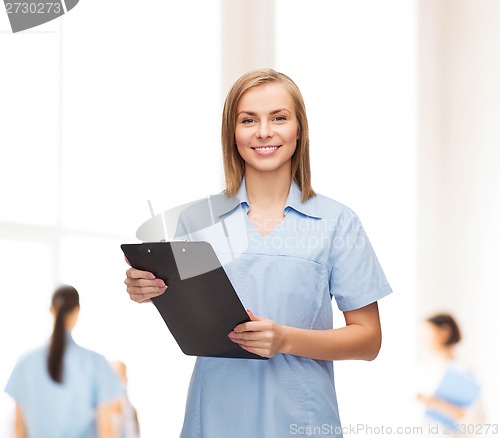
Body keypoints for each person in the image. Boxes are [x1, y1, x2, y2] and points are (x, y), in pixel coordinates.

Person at [124, 68, 393, 437]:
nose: (264, 131)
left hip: (302, 421)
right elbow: (190, 308)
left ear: (299, 129)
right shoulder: (198, 220)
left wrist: (285, 339)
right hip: (215, 416)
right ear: (232, 134)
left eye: (279, 118)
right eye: (249, 120)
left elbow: (368, 340)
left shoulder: (338, 223)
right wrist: (147, 289)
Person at [4, 285, 123, 438]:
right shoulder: (96, 363)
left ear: (51, 310)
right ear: (78, 311)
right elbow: (106, 429)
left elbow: (19, 427)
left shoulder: (25, 362)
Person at [416, 312, 485, 438]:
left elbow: (477, 419)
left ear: (445, 332)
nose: (422, 340)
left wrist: (437, 404)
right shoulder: (420, 368)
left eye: (426, 334)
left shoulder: (463, 370)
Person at [110, 360, 140, 438]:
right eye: (118, 375)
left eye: (124, 375)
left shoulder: (132, 411)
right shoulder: (99, 411)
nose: (124, 379)